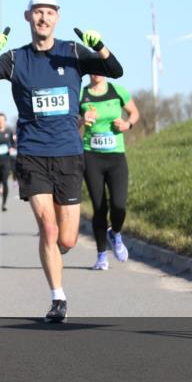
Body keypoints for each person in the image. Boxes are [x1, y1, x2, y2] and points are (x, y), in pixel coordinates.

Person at [0, 0, 123, 322]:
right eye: (38, 12)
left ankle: (58, 254)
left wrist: (100, 46)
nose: (43, 18)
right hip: (33, 154)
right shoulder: (14, 59)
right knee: (48, 229)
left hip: (68, 153)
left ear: (57, 18)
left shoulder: (73, 52)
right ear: (28, 17)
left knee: (66, 237)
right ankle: (58, 298)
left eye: (49, 13)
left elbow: (115, 70)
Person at [79, 75, 140, 270]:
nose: (96, 73)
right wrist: (82, 120)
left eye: (100, 69)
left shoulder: (117, 91)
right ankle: (101, 256)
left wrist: (127, 124)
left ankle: (115, 233)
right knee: (99, 208)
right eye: (93, 70)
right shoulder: (82, 94)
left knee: (119, 205)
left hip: (116, 158)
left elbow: (134, 113)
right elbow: (69, 122)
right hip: (91, 157)